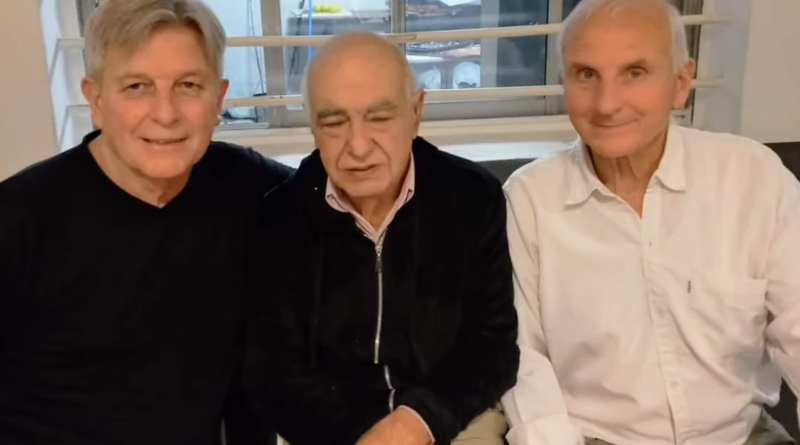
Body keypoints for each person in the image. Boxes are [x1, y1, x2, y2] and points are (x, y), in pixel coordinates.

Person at [501, 0, 800, 444]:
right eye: (586, 75)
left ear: (681, 83)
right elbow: (524, 361)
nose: (607, 103)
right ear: (564, 83)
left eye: (634, 72)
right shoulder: (528, 200)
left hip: (741, 435)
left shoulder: (754, 178)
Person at [0, 1, 292, 444]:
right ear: (96, 100)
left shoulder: (249, 188)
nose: (166, 113)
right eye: (137, 86)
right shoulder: (18, 221)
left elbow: (358, 204)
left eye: (188, 85)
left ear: (218, 99)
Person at [245, 32, 519, 445]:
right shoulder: (279, 218)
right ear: (312, 125)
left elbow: (492, 347)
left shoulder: (472, 198)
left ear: (416, 112)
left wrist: (416, 423)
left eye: (379, 118)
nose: (358, 146)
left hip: (450, 420)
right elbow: (275, 375)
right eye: (334, 122)